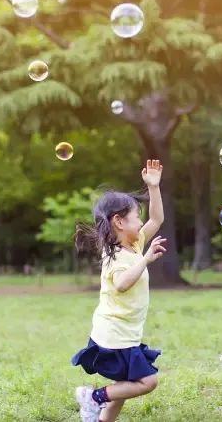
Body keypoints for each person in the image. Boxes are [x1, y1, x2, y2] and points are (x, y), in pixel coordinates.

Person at [71, 159, 167, 422]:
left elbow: (157, 218)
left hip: (125, 331)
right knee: (147, 382)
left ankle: (102, 420)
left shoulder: (134, 245)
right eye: (136, 217)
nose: (141, 221)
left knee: (124, 385)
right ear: (119, 222)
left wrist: (154, 188)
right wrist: (146, 260)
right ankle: (93, 398)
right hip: (115, 334)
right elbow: (123, 284)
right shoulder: (115, 257)